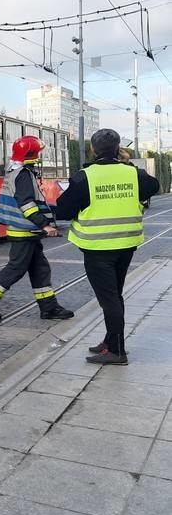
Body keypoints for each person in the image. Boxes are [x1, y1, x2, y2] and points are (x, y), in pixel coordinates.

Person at [56, 128, 159, 365]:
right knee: (114, 295)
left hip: (98, 247)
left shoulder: (85, 176)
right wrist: (126, 164)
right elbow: (153, 186)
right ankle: (111, 342)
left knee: (109, 299)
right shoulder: (133, 173)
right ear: (118, 149)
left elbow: (63, 210)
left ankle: (117, 351)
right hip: (126, 244)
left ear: (93, 149)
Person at [0, 135, 74, 321]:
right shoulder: (23, 175)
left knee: (40, 270)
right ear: (33, 154)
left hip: (26, 231)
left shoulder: (16, 171)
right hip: (24, 231)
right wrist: (45, 225)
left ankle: (49, 307)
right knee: (16, 268)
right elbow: (26, 203)